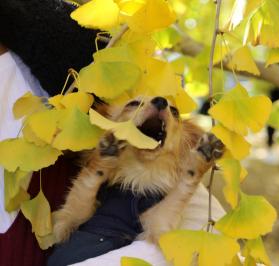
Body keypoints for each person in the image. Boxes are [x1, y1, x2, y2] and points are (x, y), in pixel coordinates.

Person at [0, 1, 225, 265]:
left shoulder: (74, 58)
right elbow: (68, 222)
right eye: (133, 106)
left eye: (174, 113)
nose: (159, 106)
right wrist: (96, 170)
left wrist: (189, 179)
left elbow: (170, 230)